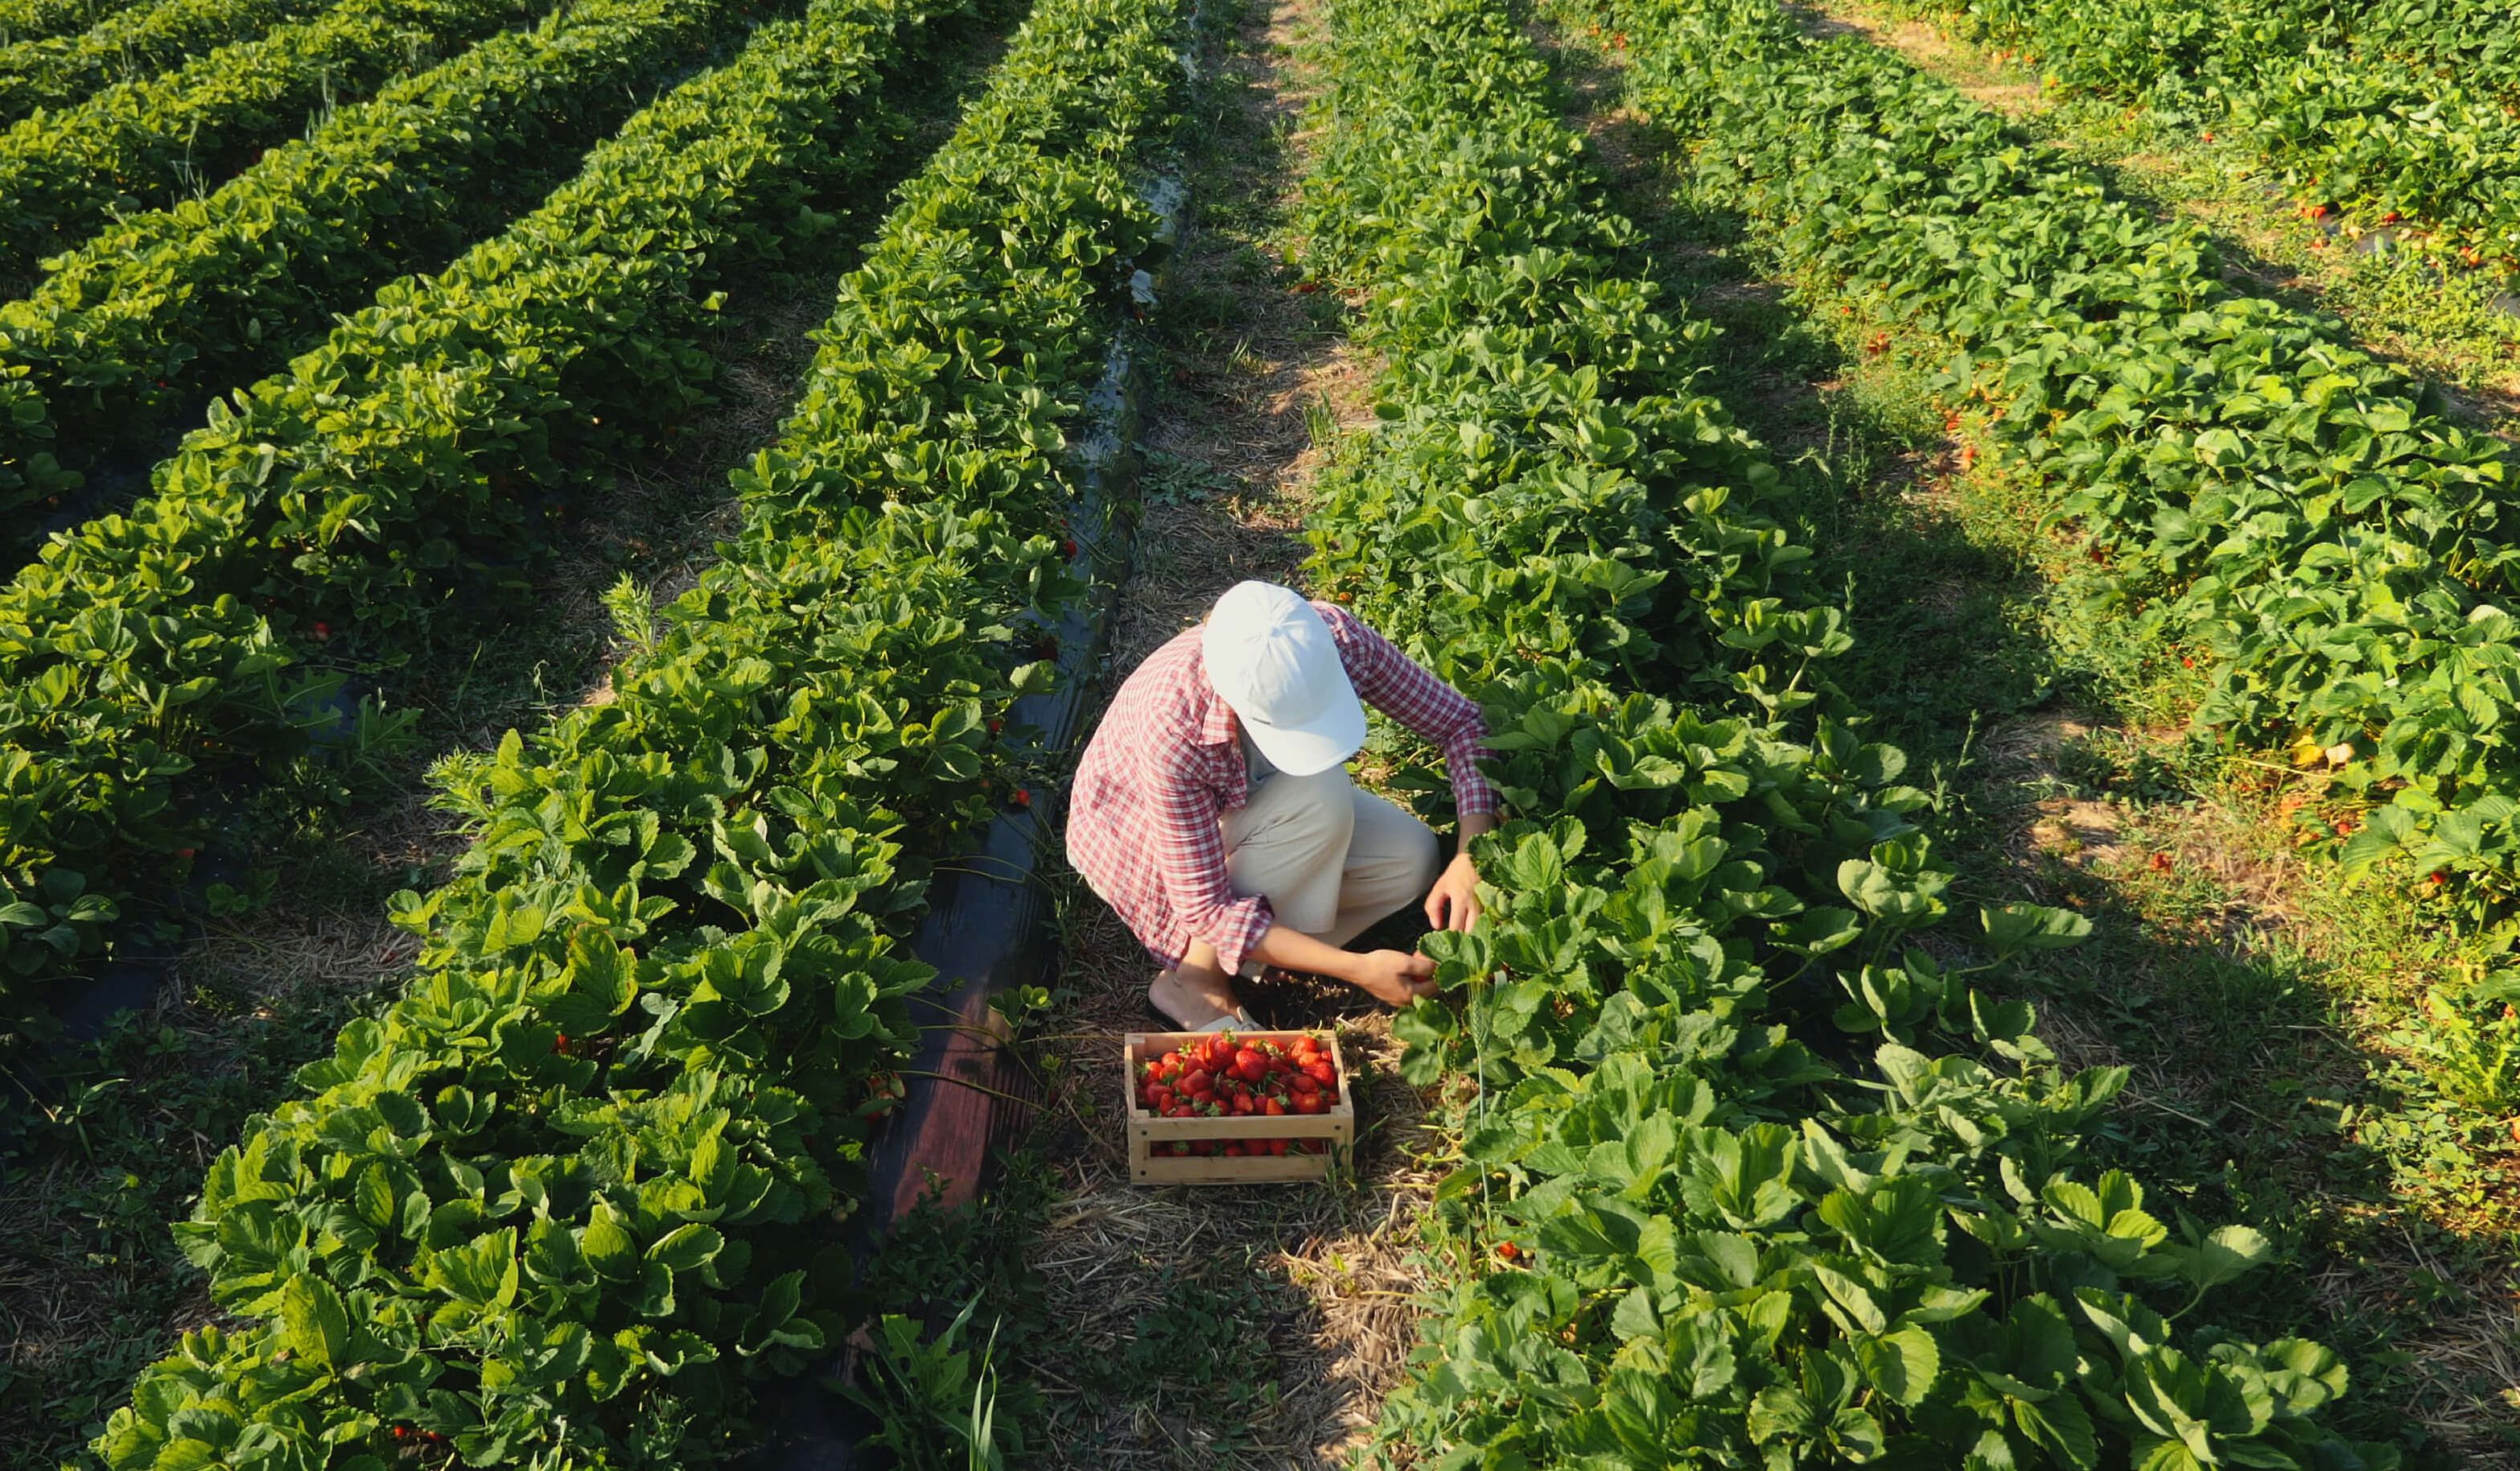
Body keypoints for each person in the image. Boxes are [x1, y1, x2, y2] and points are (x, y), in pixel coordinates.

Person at [1067, 580, 1496, 1031]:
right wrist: (1357, 969)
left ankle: (1263, 953)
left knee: (1412, 858)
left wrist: (1470, 857)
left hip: (1261, 801)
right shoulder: (1175, 724)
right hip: (1139, 837)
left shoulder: (1331, 640)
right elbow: (1204, 908)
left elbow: (1462, 723)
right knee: (1321, 799)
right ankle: (1197, 979)